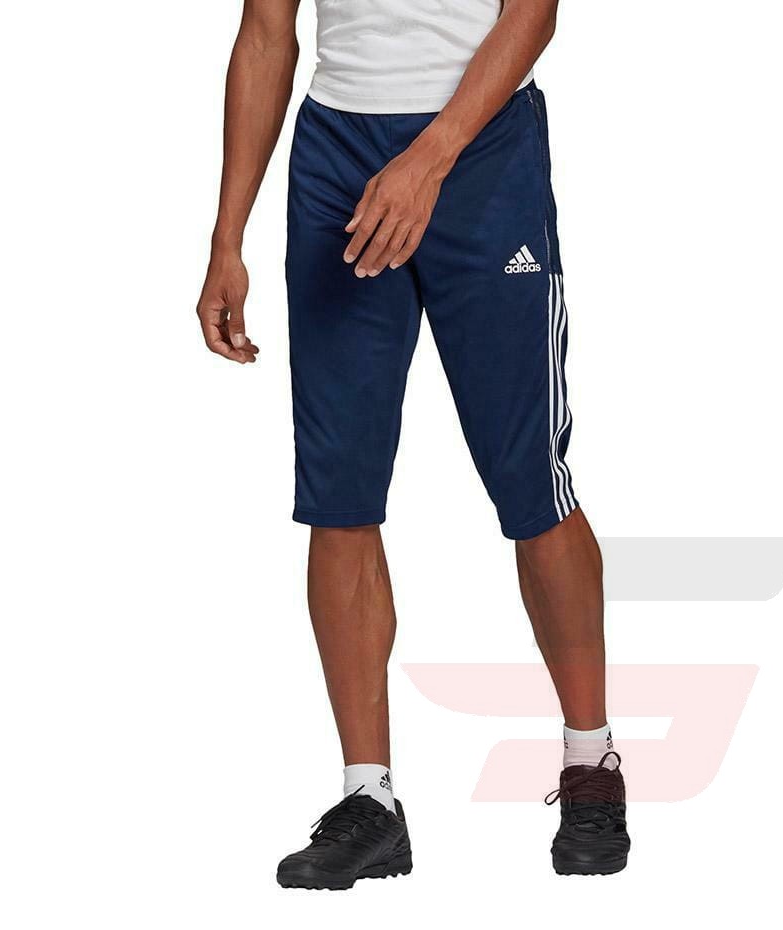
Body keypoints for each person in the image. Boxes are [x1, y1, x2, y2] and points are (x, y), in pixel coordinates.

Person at [196, 0, 630, 889]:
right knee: (338, 492)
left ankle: (591, 764)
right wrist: (227, 235)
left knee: (530, 482)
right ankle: (370, 800)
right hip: (338, 158)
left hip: (482, 153)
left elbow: (533, 13)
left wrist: (429, 159)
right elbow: (267, 33)